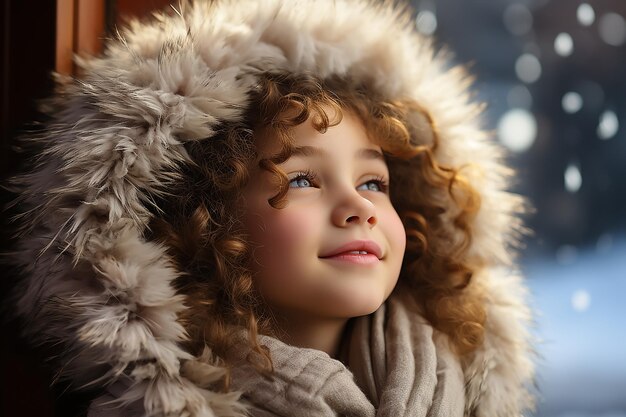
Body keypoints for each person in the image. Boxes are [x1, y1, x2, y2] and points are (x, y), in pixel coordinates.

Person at [8, 0, 536, 416]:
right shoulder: (168, 402)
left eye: (374, 180)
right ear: (209, 221)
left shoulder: (461, 386)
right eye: (302, 178)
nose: (357, 206)